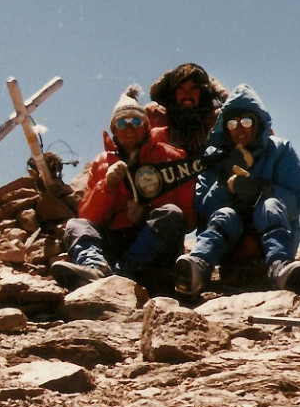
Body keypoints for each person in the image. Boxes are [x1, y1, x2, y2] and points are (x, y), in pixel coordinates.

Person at [51, 85, 195, 290]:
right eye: (122, 122)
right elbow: (88, 216)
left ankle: (117, 275)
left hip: (154, 247)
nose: (129, 128)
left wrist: (148, 208)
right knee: (75, 225)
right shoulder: (101, 162)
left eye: (136, 121)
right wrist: (107, 186)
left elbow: (189, 219)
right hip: (116, 242)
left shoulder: (171, 157)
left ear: (146, 126)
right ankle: (96, 267)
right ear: (114, 129)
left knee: (170, 213)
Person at [175, 83, 300, 297]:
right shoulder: (214, 156)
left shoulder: (280, 149)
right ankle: (197, 268)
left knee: (270, 205)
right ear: (224, 126)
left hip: (267, 234)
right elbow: (202, 207)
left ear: (257, 123)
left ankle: (280, 267)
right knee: (225, 215)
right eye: (232, 122)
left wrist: (261, 189)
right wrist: (223, 183)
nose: (239, 128)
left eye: (246, 121)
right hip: (231, 241)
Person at [148, 63, 229, 159]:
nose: (187, 95)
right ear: (174, 93)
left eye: (193, 89)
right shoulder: (160, 117)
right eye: (181, 89)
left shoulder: (214, 118)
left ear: (202, 93)